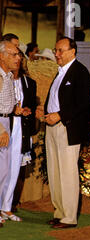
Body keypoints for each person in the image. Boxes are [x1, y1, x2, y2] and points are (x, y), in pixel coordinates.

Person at [39, 37, 90, 229]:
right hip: (52, 126)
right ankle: (59, 212)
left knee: (68, 173)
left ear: (73, 51)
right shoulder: (60, 72)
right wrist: (45, 113)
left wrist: (60, 115)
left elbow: (84, 103)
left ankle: (70, 217)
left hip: (68, 128)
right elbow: (56, 98)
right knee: (54, 171)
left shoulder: (80, 72)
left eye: (61, 50)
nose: (57, 54)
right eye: (56, 50)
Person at [0, 50, 37, 221]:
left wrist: (25, 111)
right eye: (14, 54)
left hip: (18, 128)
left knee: (12, 167)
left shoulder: (27, 82)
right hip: (6, 125)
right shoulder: (4, 77)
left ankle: (6, 207)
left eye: (19, 56)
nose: (18, 59)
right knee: (3, 167)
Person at [0, 41, 21, 229]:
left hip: (7, 121)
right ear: (2, 56)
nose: (18, 58)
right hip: (1, 124)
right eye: (14, 54)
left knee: (4, 170)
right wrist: (1, 129)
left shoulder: (8, 76)